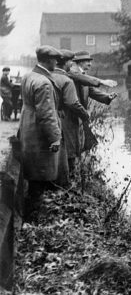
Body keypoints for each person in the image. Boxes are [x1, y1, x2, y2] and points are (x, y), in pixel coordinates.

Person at [18, 46, 62, 219]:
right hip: (39, 135)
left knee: (33, 176)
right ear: (48, 60)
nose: (57, 62)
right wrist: (55, 138)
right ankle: (35, 218)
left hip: (28, 130)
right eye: (55, 59)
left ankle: (31, 215)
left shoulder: (29, 76)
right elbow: (47, 114)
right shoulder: (43, 82)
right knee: (39, 177)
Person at [50, 49, 91, 184]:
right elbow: (72, 102)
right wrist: (85, 114)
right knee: (70, 150)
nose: (71, 64)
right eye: (70, 61)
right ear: (66, 63)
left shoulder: (48, 75)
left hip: (53, 118)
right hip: (67, 118)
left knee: (60, 149)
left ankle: (58, 179)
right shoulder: (67, 79)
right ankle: (69, 181)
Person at [68, 50, 117, 152]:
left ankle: (81, 164)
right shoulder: (72, 72)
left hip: (81, 115)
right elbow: (83, 78)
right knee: (75, 144)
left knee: (87, 143)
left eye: (90, 61)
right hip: (72, 116)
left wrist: (107, 97)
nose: (90, 64)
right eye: (87, 61)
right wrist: (102, 81)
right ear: (80, 62)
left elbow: (91, 91)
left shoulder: (83, 74)